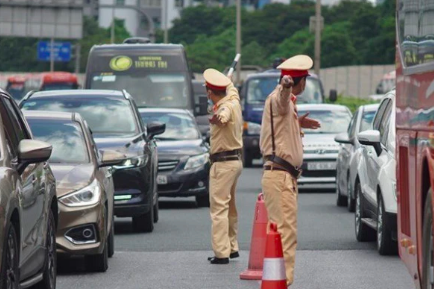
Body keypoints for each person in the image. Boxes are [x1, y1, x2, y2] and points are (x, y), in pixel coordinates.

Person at [259, 55, 320, 287]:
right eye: (304, 80)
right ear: (299, 81)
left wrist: (299, 123)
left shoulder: (288, 105)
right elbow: (281, 101)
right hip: (280, 176)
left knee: (280, 230)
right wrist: (285, 86)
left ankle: (278, 280)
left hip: (283, 177)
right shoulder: (280, 97)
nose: (305, 85)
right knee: (285, 232)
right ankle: (282, 281)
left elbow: (282, 116)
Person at [203, 68, 243, 265]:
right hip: (235, 162)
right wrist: (228, 81)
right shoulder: (234, 100)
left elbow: (223, 115)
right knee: (230, 207)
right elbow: (232, 90)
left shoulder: (224, 108)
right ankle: (232, 246)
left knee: (219, 209)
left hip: (223, 163)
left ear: (210, 93)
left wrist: (219, 117)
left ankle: (221, 253)